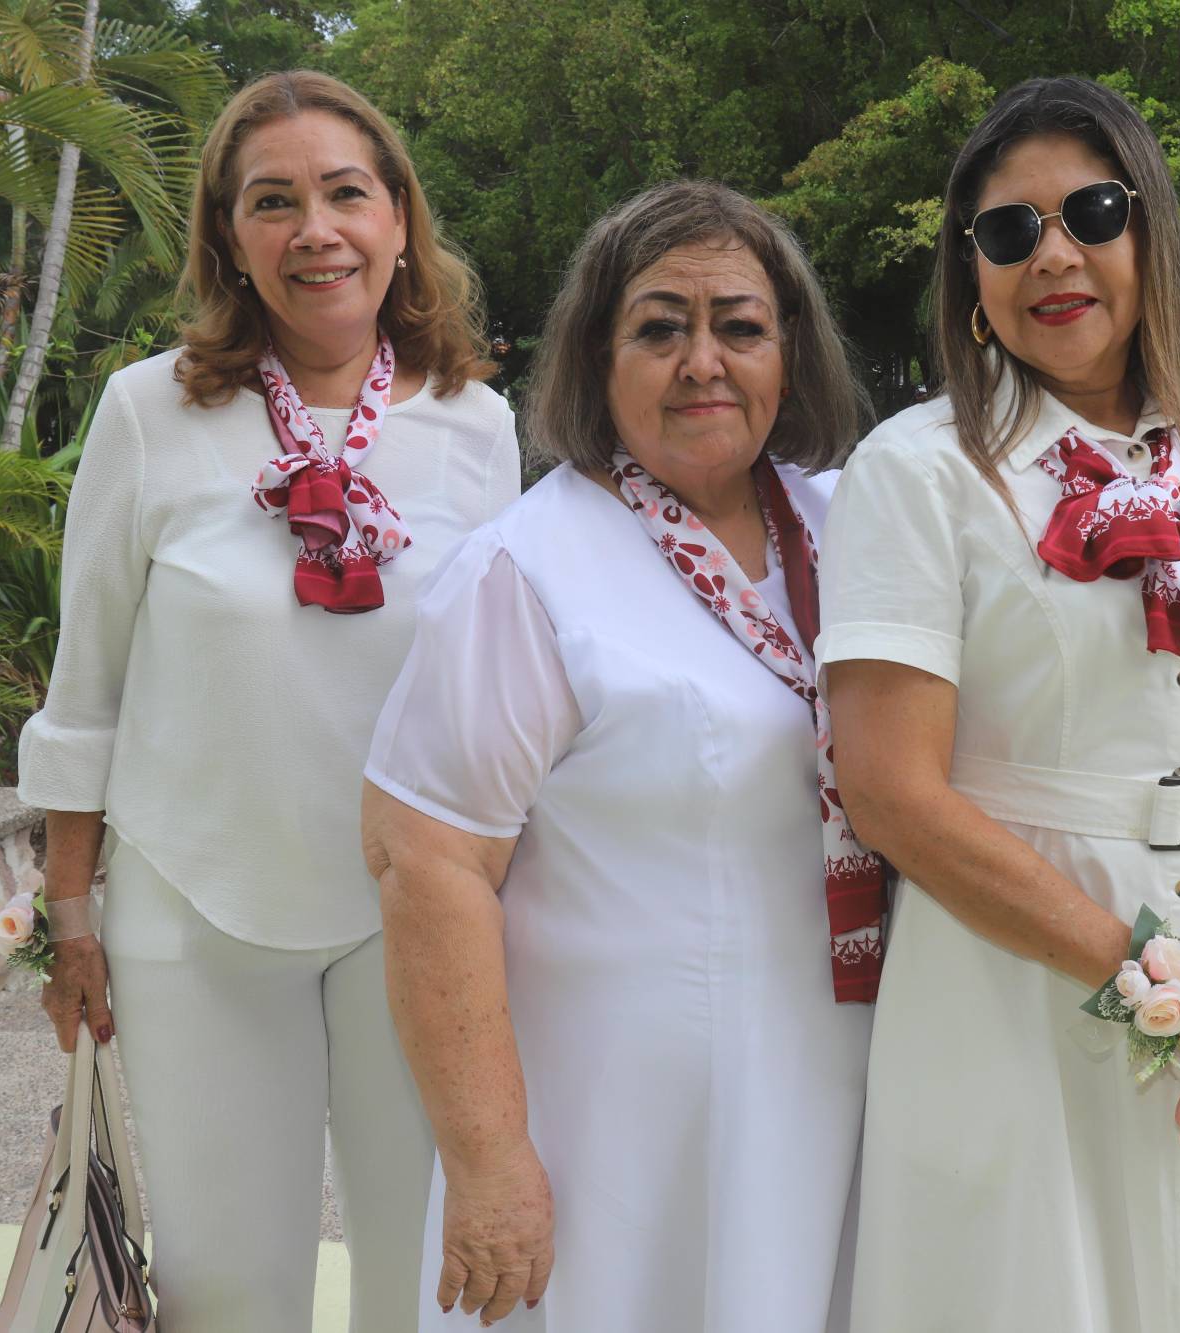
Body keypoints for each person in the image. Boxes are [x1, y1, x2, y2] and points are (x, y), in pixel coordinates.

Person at [818, 76, 1180, 1331]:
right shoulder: (914, 472)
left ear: (1147, 233)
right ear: (972, 276)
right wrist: (1164, 995)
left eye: (1090, 212)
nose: (1051, 253)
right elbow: (893, 792)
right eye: (1007, 232)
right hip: (1014, 991)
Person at [18, 70, 520, 1331]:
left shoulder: (479, 424)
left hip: (415, 922)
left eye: (347, 193)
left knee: (430, 1285)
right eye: (273, 201)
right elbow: (89, 684)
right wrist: (71, 917)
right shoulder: (148, 410)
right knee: (226, 1290)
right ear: (230, 241)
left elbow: (502, 694)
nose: (316, 230)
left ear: (399, 221)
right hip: (200, 912)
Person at [360, 179, 876, 1331]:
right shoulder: (529, 568)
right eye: (659, 327)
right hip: (610, 1128)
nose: (703, 360)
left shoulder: (854, 528)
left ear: (787, 352)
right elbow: (424, 862)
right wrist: (489, 1164)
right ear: (597, 357)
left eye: (738, 326)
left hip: (829, 1098)